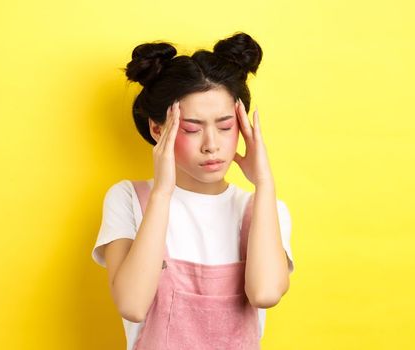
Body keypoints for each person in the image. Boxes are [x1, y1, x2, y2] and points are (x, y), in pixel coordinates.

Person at [91, 32, 294, 349]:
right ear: (158, 129)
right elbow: (131, 304)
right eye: (192, 128)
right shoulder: (129, 198)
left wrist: (265, 184)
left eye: (226, 126)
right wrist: (162, 193)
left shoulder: (264, 209)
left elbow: (265, 293)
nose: (212, 145)